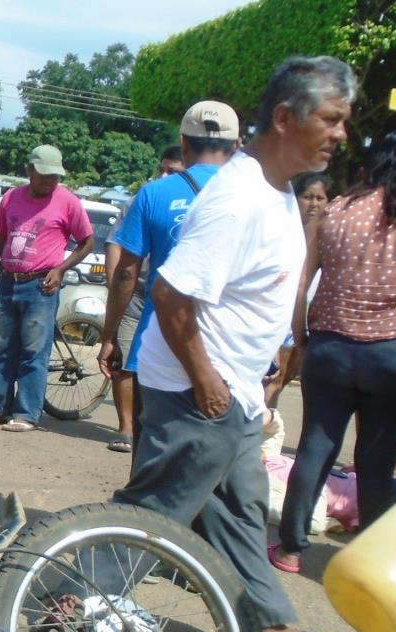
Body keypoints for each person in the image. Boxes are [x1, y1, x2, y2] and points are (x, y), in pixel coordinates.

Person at [113, 56, 358, 632]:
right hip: (202, 396)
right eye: (331, 119)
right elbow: (170, 293)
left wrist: (260, 371)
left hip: (237, 395)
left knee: (241, 509)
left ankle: (274, 630)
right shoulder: (240, 198)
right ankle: (56, 606)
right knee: (154, 517)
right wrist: (208, 380)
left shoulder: (277, 194)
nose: (342, 135)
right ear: (284, 117)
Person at [270, 134, 396, 574]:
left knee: (315, 448)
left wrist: (301, 336)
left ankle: (289, 548)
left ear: (366, 171)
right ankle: (373, 561)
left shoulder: (337, 211)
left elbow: (301, 280)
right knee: (377, 462)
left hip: (332, 348)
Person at [98, 103, 241, 454]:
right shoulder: (258, 197)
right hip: (231, 353)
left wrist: (110, 334)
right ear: (236, 147)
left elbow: (127, 274)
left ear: (184, 143)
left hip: (159, 347)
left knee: (152, 459)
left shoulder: (154, 194)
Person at [0, 145, 94, 433]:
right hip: (9, 282)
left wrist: (61, 269)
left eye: (55, 176)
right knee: (2, 349)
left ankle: (26, 414)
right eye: (45, 175)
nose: (51, 181)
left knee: (33, 352)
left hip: (41, 286)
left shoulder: (68, 202)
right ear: (29, 171)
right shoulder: (11, 198)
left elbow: (87, 241)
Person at [263, 170, 332, 410]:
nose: (313, 204)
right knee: (273, 377)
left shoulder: (329, 237)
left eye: (320, 198)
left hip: (303, 317)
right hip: (276, 312)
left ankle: (267, 424)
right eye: (307, 197)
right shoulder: (280, 228)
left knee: (285, 377)